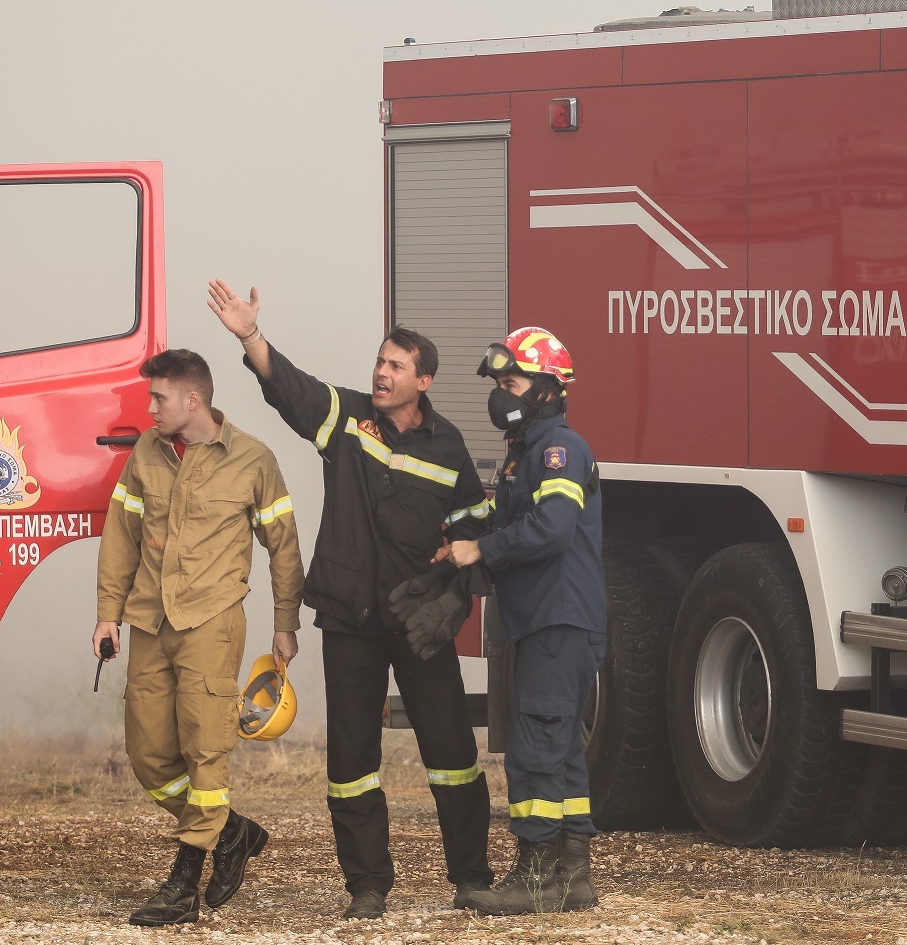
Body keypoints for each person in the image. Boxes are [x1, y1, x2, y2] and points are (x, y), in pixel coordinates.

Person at [206, 279, 495, 920]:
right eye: (379, 362)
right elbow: (290, 388)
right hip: (348, 620)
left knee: (452, 755)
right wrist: (250, 335)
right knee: (352, 762)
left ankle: (472, 878)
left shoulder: (448, 448)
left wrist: (455, 584)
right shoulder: (347, 418)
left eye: (395, 366)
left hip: (419, 626)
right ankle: (367, 886)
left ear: (424, 382)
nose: (381, 372)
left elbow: (475, 527)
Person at [93, 348, 305, 927]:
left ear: (193, 400)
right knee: (148, 755)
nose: (150, 406)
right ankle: (232, 832)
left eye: (158, 397)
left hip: (211, 622)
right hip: (149, 620)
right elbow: (121, 536)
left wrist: (284, 622)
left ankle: (184, 881)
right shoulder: (145, 453)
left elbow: (283, 548)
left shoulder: (253, 461)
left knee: (205, 749)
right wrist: (107, 612)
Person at [438, 327, 607, 915]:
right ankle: (574, 877)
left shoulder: (560, 448)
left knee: (535, 747)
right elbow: (503, 519)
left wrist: (481, 551)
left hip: (556, 622)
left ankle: (535, 879)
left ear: (545, 388)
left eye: (510, 381)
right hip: (545, 620)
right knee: (559, 748)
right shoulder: (525, 454)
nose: (501, 392)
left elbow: (554, 527)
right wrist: (461, 538)